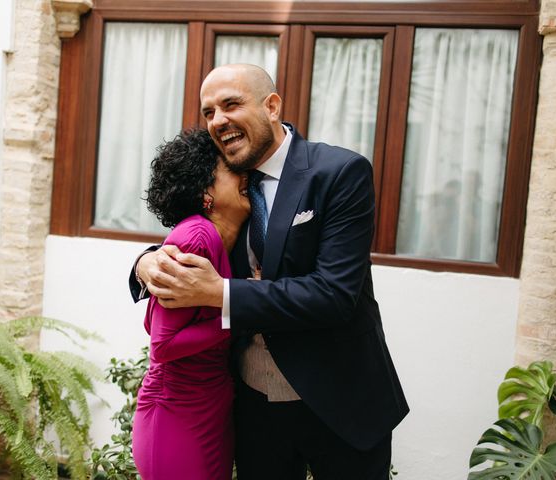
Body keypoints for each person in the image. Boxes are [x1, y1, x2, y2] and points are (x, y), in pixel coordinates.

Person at [130, 64, 409, 480]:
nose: (218, 120)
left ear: (272, 106)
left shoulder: (338, 173)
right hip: (255, 408)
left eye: (230, 104)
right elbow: (196, 235)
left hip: (341, 400)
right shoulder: (226, 181)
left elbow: (333, 294)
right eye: (208, 113)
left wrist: (220, 294)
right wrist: (145, 261)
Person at [130, 128, 249, 480]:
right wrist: (242, 310)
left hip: (208, 407)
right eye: (232, 170)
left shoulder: (228, 238)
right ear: (205, 190)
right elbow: (162, 343)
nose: (246, 176)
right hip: (178, 414)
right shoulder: (196, 238)